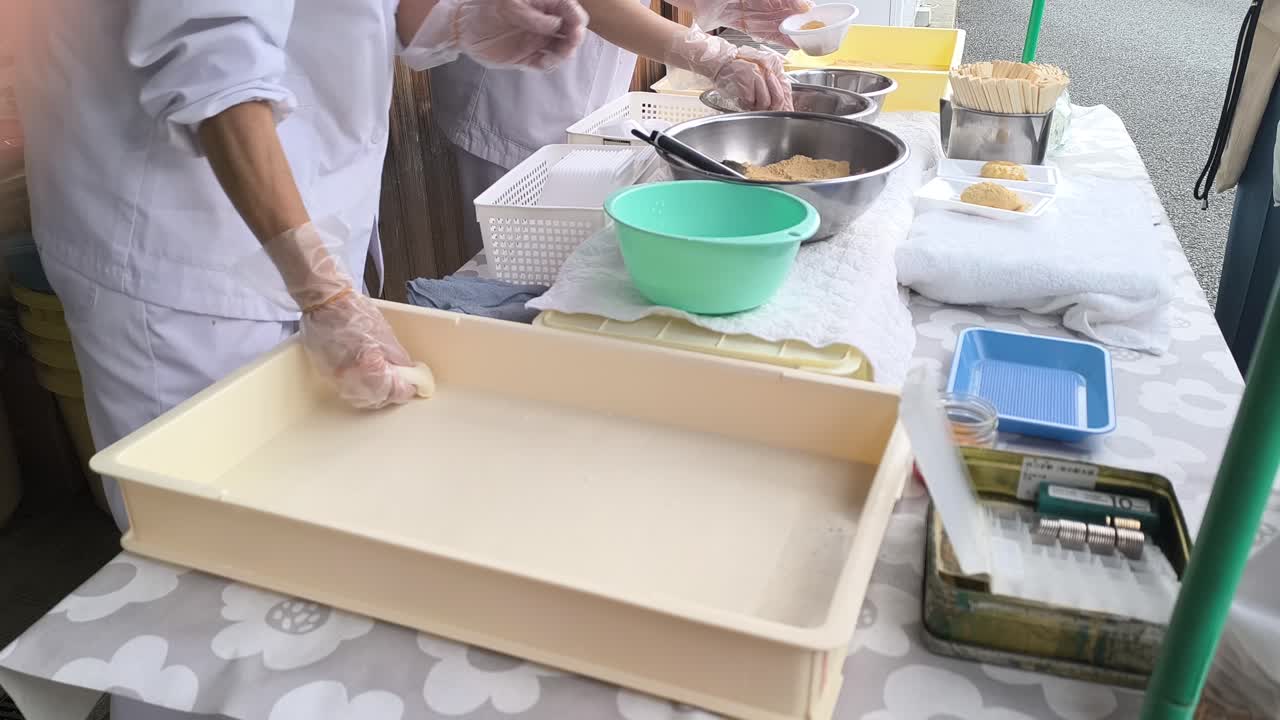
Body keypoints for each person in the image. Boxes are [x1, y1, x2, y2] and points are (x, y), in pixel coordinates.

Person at [17, 1, 588, 718]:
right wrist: (322, 290)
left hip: (298, 224)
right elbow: (212, 63)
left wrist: (457, 19)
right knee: (207, 580)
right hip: (182, 255)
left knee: (300, 564)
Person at [429, 0, 812, 256]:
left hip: (590, 95)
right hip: (515, 97)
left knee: (581, 248)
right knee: (518, 265)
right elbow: (596, 4)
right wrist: (714, 56)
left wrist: (732, 4)